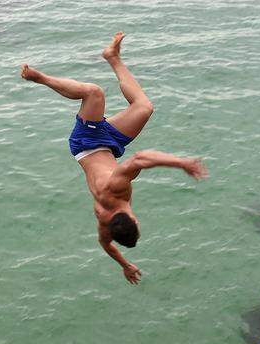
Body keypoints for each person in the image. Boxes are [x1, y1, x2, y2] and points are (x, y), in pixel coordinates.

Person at [20, 32, 208, 285]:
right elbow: (105, 245)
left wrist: (181, 163)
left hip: (87, 143)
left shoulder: (115, 190)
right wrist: (125, 265)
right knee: (143, 107)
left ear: (134, 220)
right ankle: (113, 58)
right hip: (110, 146)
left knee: (94, 93)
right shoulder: (105, 226)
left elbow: (141, 158)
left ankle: (38, 77)